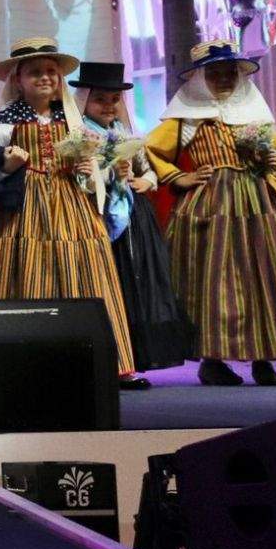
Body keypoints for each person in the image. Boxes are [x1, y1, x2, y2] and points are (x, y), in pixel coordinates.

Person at [0, 37, 136, 379]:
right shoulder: (6, 124)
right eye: (35, 72)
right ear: (18, 80)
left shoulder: (73, 122)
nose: (45, 78)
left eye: (51, 72)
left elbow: (95, 172)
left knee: (85, 275)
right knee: (29, 276)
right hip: (24, 211)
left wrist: (90, 173)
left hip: (72, 208)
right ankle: (28, 364)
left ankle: (98, 363)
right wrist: (7, 168)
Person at [145, 39, 276, 386]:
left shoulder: (255, 116)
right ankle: (213, 358)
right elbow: (151, 150)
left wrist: (269, 165)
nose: (223, 79)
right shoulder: (186, 119)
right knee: (214, 281)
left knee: (263, 275)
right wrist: (179, 177)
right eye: (215, 73)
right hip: (211, 205)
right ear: (200, 77)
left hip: (255, 204)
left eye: (229, 73)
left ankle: (264, 357)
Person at [73, 61, 193, 387]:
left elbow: (147, 168)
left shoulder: (123, 133)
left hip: (133, 219)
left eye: (114, 99)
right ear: (85, 100)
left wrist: (147, 181)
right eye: (101, 99)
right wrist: (111, 173)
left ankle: (131, 358)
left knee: (136, 287)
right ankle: (109, 361)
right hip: (98, 218)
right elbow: (79, 178)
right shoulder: (81, 134)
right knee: (112, 288)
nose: (109, 106)